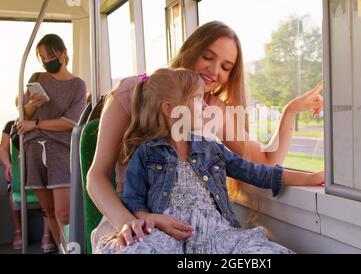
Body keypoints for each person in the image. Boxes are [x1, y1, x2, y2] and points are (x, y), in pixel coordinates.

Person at [87, 21, 323, 252]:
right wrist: (130, 221)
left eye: (226, 67)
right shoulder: (137, 90)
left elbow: (264, 163)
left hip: (208, 234)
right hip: (136, 224)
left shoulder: (217, 112)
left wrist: (290, 111)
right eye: (208, 57)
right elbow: (97, 176)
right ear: (191, 50)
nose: (214, 70)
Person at [16, 34, 87, 247]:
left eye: (50, 56)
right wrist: (32, 107)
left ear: (63, 53)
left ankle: (73, 249)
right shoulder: (37, 78)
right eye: (43, 58)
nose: (47, 61)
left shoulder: (77, 85)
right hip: (34, 150)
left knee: (64, 213)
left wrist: (36, 123)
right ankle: (63, 250)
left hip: (61, 151)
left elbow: (72, 121)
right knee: (48, 211)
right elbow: (23, 116)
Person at [0, 120, 57, 252]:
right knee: (12, 189)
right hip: (18, 173)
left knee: (50, 187)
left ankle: (46, 236)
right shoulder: (11, 125)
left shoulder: (43, 122)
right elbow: (3, 148)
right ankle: (18, 232)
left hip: (43, 168)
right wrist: (8, 165)